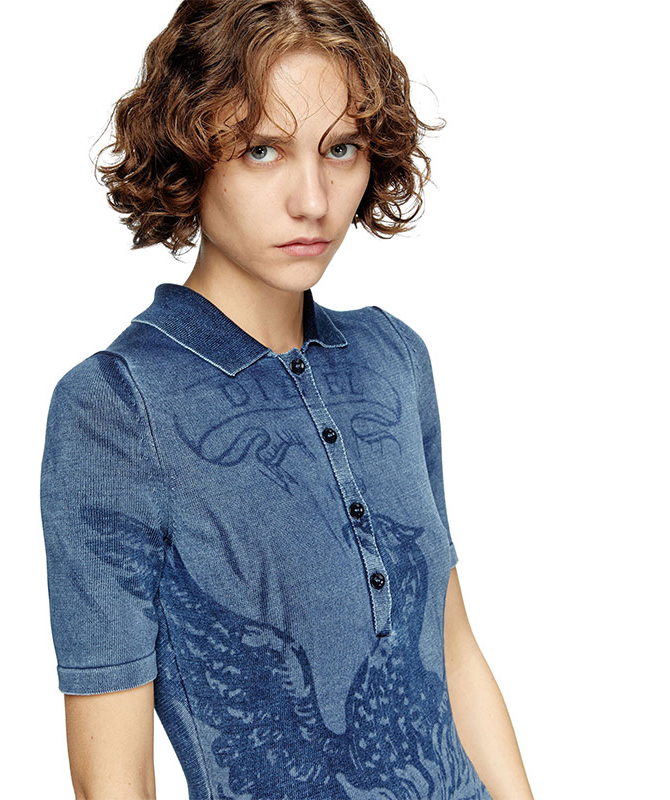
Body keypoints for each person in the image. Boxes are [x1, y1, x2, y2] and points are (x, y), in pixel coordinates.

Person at [39, 1, 534, 798]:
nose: (314, 199)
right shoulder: (119, 406)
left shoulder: (394, 358)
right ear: (190, 154)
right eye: (262, 149)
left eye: (341, 149)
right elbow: (114, 777)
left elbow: (453, 648)